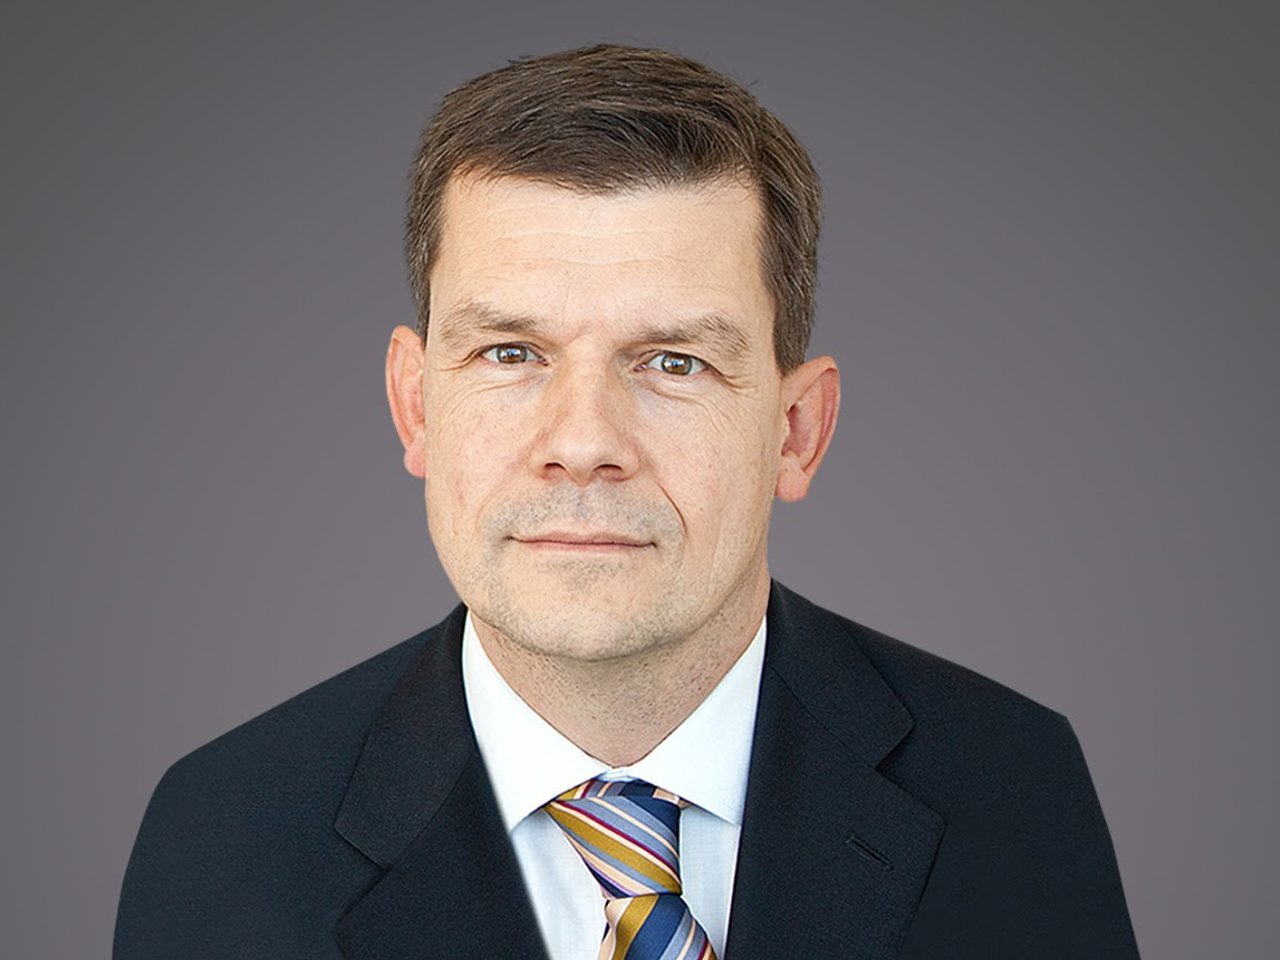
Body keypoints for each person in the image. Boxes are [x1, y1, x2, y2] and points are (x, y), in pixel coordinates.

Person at [114, 43, 1140, 960]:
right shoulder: (223, 834)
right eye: (509, 353)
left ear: (795, 430)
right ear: (415, 406)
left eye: (673, 362)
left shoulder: (1009, 789)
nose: (583, 444)